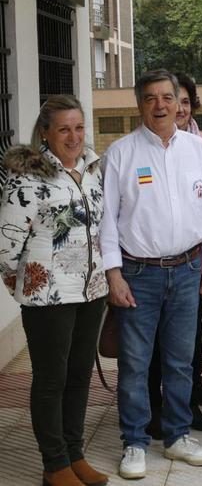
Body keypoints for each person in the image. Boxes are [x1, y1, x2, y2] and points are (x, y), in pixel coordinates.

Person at [101, 70, 202, 479]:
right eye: (151, 98)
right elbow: (107, 223)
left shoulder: (198, 149)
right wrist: (113, 275)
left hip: (188, 269)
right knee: (135, 363)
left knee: (180, 361)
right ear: (140, 105)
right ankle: (134, 442)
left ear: (178, 102)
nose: (161, 106)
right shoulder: (120, 153)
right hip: (138, 274)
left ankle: (177, 437)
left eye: (167, 97)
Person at [0, 96, 109, 486]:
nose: (74, 136)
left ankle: (74, 454)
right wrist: (27, 285)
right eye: (64, 128)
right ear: (45, 132)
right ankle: (54, 464)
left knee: (80, 375)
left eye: (79, 127)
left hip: (91, 293)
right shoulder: (28, 176)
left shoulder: (91, 169)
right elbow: (6, 245)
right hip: (48, 298)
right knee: (51, 379)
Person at [145, 73, 202, 440]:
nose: (171, 107)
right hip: (147, 266)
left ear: (186, 105)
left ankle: (189, 401)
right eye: (155, 99)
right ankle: (152, 410)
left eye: (181, 101)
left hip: (192, 263)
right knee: (150, 347)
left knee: (187, 340)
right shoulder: (133, 150)